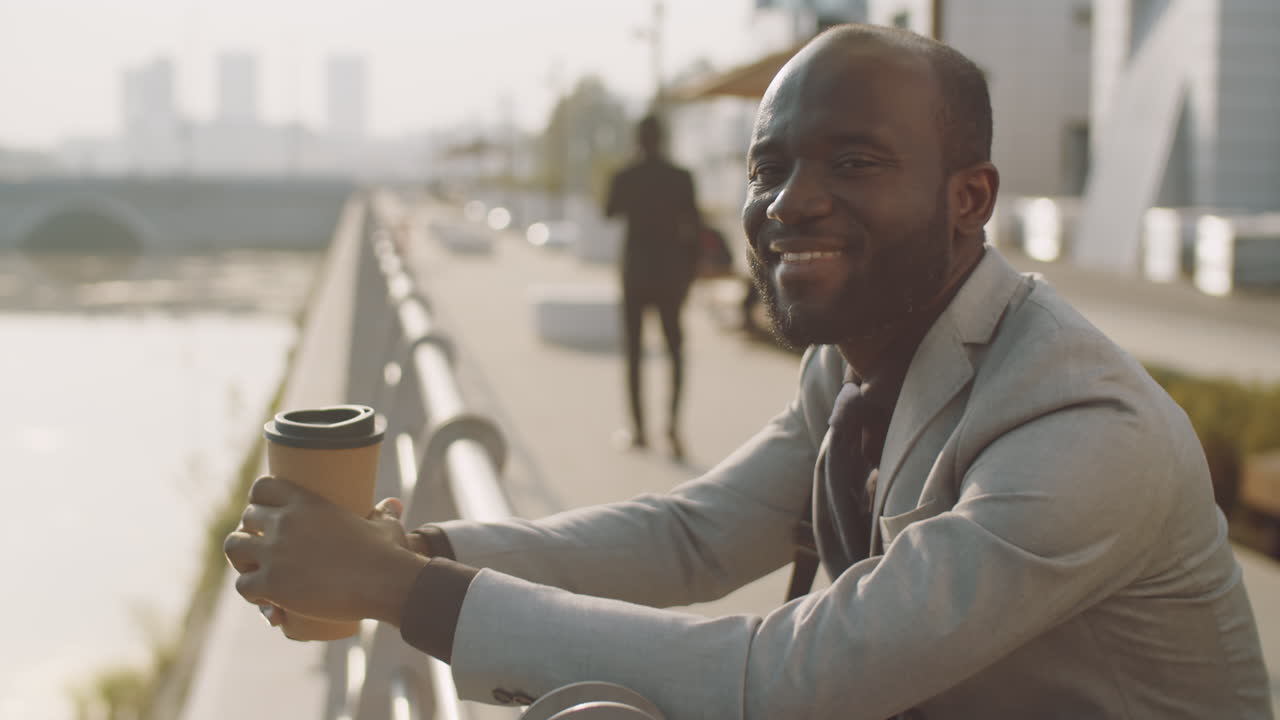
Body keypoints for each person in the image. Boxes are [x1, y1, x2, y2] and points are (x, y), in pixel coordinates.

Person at [224, 24, 1272, 719]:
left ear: (969, 198)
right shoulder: (859, 363)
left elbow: (786, 678)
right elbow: (689, 537)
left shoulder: (1081, 430)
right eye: (769, 167)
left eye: (852, 162)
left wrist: (401, 590)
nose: (788, 203)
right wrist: (417, 546)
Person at [604, 114, 701, 459]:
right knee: (675, 352)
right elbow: (695, 228)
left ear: (637, 139)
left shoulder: (625, 176)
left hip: (634, 275)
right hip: (670, 275)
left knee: (633, 355)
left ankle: (639, 430)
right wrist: (689, 275)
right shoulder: (681, 178)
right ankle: (673, 429)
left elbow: (608, 211)